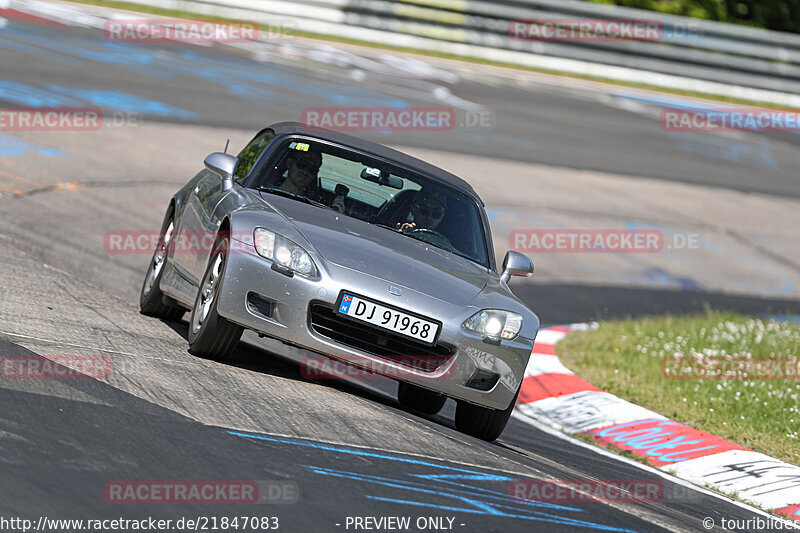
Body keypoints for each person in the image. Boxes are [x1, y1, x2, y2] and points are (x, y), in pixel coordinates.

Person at [276, 149, 345, 212]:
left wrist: (335, 214)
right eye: (302, 165)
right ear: (289, 163)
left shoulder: (313, 208)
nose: (305, 172)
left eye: (312, 170)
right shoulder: (267, 192)